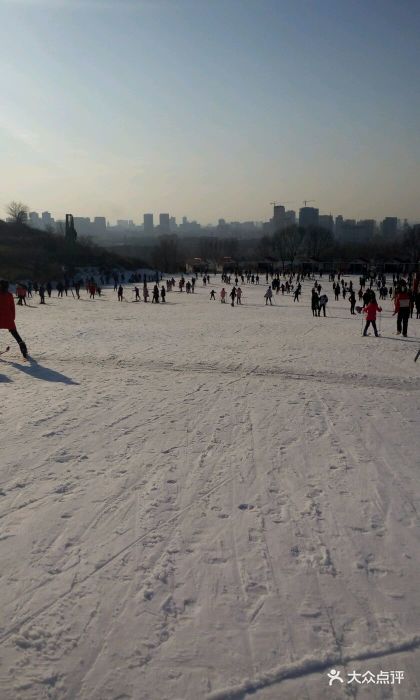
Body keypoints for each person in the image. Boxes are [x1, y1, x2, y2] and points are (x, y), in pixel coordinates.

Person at [0, 280, 28, 357]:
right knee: (15, 334)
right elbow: (12, 307)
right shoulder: (9, 295)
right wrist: (12, 317)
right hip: (8, 317)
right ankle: (23, 349)